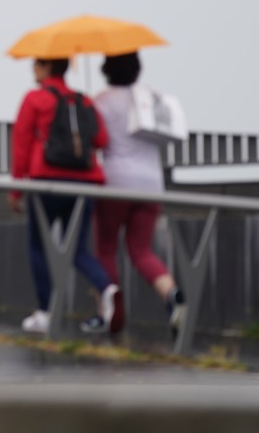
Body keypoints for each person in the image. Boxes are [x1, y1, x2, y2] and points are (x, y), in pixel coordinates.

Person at [10, 57, 123, 335]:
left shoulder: (35, 99)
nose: (33, 68)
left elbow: (21, 144)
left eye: (37, 63)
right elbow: (101, 140)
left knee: (39, 246)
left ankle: (46, 313)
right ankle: (107, 288)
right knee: (77, 248)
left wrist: (16, 189)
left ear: (49, 67)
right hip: (83, 185)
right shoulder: (83, 100)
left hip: (46, 183)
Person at [93, 52, 186, 337]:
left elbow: (96, 140)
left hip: (116, 184)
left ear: (106, 70)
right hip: (151, 184)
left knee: (105, 249)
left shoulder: (102, 101)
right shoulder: (151, 98)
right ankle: (171, 294)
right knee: (141, 250)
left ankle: (113, 315)